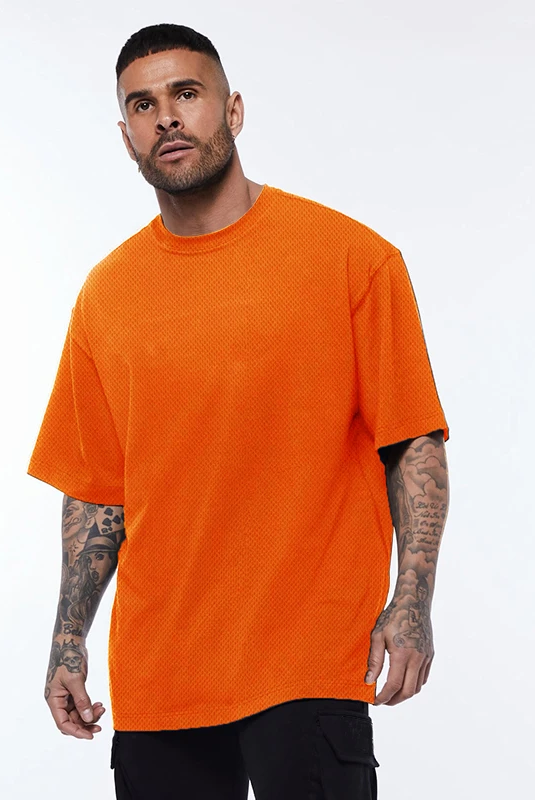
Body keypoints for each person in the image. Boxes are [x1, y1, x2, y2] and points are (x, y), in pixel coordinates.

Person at [27, 22, 452, 800]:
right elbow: (96, 490)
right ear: (125, 136)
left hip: (306, 662)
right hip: (159, 677)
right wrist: (67, 639)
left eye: (186, 94)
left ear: (234, 110)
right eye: (143, 105)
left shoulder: (351, 259)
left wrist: (413, 601)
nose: (167, 117)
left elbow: (412, 441)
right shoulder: (106, 297)